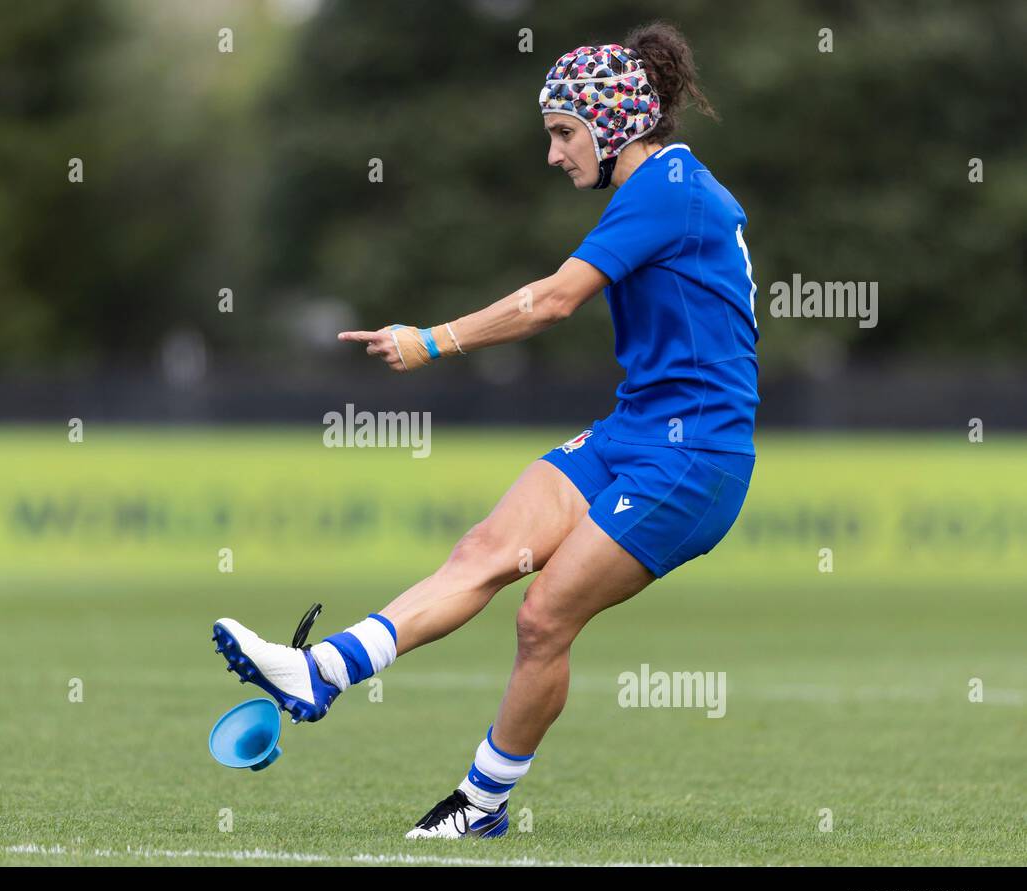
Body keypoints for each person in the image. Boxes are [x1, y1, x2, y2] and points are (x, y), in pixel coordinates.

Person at [211, 22, 759, 839]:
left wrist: (431, 340)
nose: (553, 153)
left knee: (543, 618)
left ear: (616, 125)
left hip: (697, 456)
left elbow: (551, 301)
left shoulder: (668, 190)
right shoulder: (656, 188)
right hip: (632, 430)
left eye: (563, 132)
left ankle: (481, 805)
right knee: (482, 552)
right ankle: (316, 671)